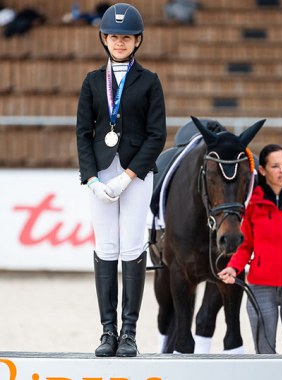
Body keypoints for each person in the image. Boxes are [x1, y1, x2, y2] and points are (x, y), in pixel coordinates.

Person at [76, 3, 166, 357]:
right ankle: (107, 331)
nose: (119, 42)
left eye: (125, 37)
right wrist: (92, 179)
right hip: (100, 173)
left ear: (137, 41)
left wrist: (128, 177)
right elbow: (83, 133)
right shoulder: (93, 81)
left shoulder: (149, 81)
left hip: (136, 174)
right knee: (105, 248)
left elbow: (156, 135)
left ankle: (129, 332)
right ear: (105, 39)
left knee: (131, 247)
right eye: (114, 36)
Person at [218, 144, 282, 354]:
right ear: (263, 171)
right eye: (275, 166)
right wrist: (233, 268)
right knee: (264, 354)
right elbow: (246, 245)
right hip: (261, 288)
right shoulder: (253, 204)